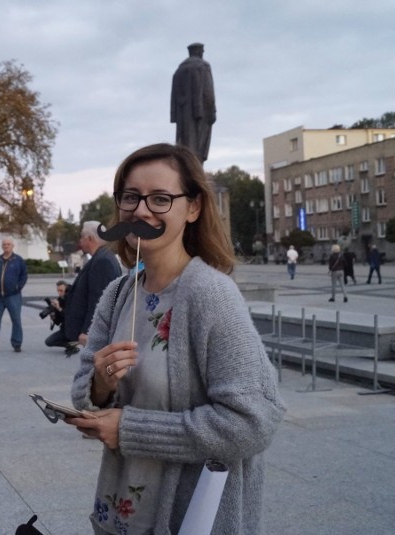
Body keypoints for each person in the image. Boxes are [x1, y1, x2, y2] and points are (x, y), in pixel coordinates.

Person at [66, 143, 285, 534]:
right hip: (119, 515)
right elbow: (84, 389)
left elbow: (254, 421)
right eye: (130, 197)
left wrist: (129, 430)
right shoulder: (118, 293)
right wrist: (100, 385)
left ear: (194, 207)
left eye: (161, 199)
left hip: (188, 519)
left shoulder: (210, 295)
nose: (141, 211)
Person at [64, 221, 122, 351]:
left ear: (89, 238)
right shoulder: (102, 257)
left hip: (95, 332)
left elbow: (99, 300)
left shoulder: (102, 261)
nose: (80, 241)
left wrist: (87, 330)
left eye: (81, 237)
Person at [170, 43, 216, 162]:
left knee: (184, 147)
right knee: (198, 149)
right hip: (201, 113)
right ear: (199, 52)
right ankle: (196, 175)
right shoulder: (203, 66)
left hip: (183, 116)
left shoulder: (179, 70)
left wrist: (174, 115)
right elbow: (208, 91)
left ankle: (188, 172)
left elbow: (173, 96)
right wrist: (212, 111)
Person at [43, 280, 78, 356]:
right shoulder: (60, 299)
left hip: (74, 330)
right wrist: (53, 316)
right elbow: (59, 321)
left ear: (67, 289)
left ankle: (74, 343)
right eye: (58, 291)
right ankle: (71, 345)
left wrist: (59, 308)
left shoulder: (74, 299)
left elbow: (70, 316)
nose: (59, 293)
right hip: (65, 329)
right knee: (48, 342)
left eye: (61, 291)